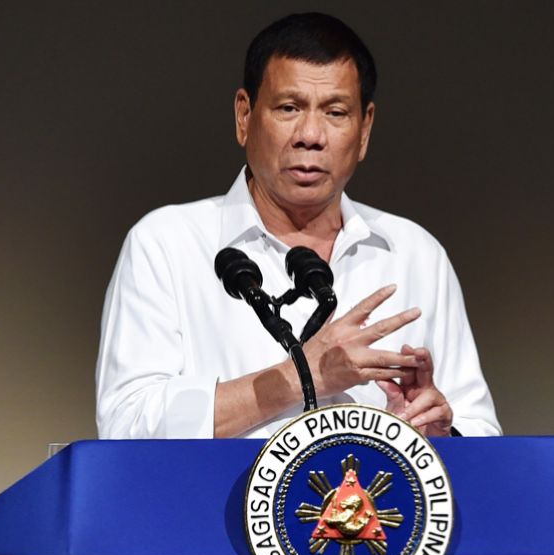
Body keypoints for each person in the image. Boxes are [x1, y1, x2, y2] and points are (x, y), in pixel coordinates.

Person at [95, 12, 500, 440]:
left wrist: (436, 434)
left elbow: (480, 432)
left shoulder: (415, 254)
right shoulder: (166, 243)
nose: (311, 135)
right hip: (206, 508)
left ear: (364, 130)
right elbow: (126, 426)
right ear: (244, 117)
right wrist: (303, 375)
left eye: (336, 112)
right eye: (289, 108)